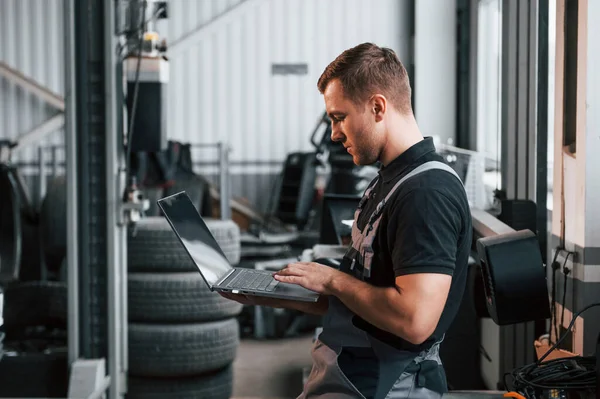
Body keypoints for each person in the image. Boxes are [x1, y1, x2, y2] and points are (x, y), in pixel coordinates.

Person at [221, 42, 472, 399]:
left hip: (388, 385)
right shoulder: (387, 180)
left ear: (377, 107)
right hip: (354, 374)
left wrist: (334, 280)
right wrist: (270, 293)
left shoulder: (427, 192)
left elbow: (414, 321)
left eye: (339, 118)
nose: (335, 134)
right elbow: (360, 296)